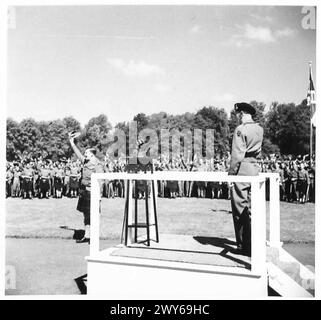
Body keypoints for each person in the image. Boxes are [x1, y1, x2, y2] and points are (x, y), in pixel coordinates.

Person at [228, 102, 263, 256]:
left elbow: (236, 155)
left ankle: (244, 246)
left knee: (239, 208)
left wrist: (231, 174)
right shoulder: (259, 129)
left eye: (237, 114)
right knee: (253, 208)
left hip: (242, 169)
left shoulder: (240, 130)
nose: (237, 117)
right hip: (254, 167)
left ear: (241, 113)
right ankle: (254, 242)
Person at [69, 132, 104, 243]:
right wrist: (71, 142)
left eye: (87, 153)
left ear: (92, 155)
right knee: (86, 215)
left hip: (92, 193)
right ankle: (87, 236)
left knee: (93, 215)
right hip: (84, 192)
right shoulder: (86, 161)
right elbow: (77, 153)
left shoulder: (97, 164)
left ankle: (93, 237)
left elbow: (100, 181)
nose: (85, 154)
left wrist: (99, 196)